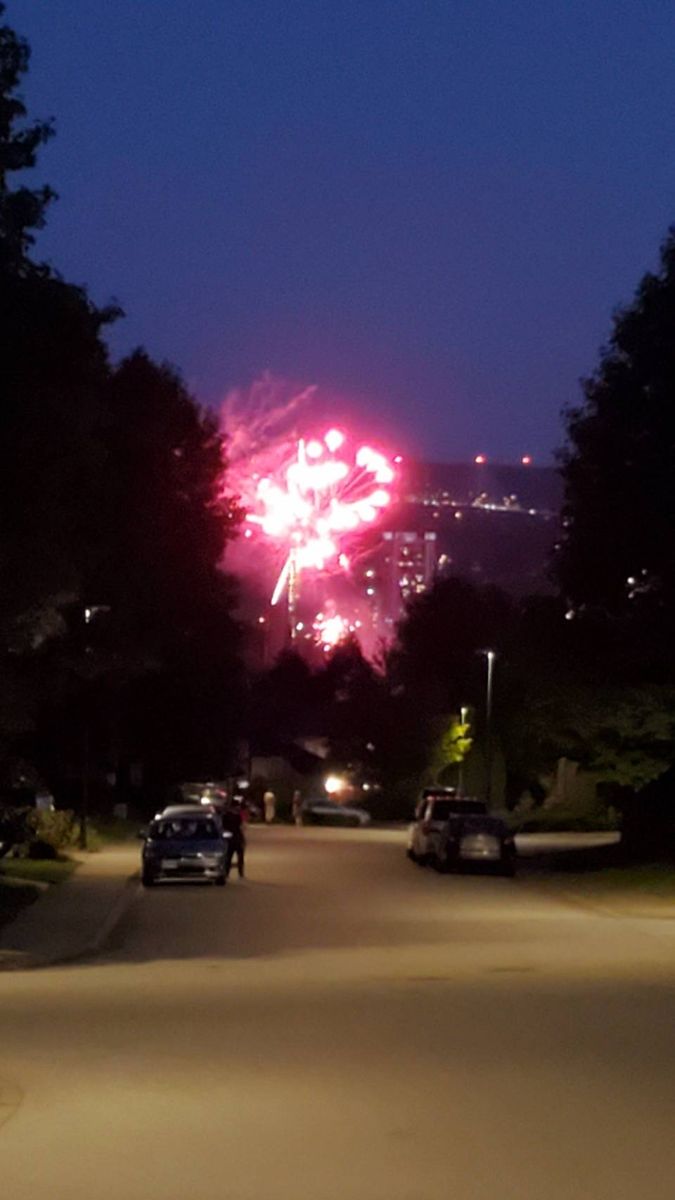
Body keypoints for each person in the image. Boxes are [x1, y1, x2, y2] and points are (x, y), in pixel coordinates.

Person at [221, 800, 246, 878]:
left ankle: (227, 873)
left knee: (229, 857)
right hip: (237, 838)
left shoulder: (225, 815)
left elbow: (223, 827)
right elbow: (241, 827)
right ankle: (240, 873)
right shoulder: (237, 816)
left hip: (230, 839)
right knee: (240, 857)